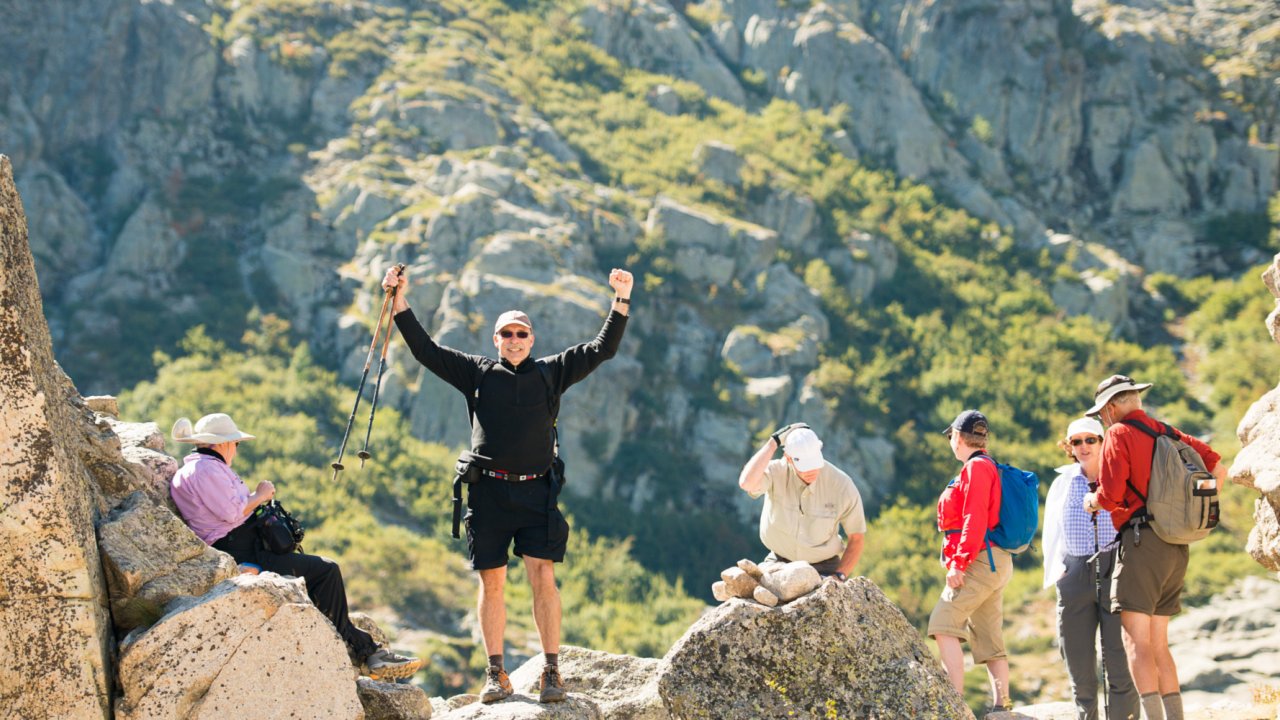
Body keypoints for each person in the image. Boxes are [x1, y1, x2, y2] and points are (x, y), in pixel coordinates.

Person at [383, 264, 632, 704]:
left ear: (532, 340)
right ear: (495, 340)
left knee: (543, 577)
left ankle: (551, 671)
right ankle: (496, 674)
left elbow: (601, 349)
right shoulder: (477, 373)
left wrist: (621, 298)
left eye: (521, 334)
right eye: (507, 334)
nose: (514, 341)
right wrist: (399, 299)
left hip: (537, 491)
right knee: (491, 582)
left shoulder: (551, 372)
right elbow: (425, 349)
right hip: (489, 493)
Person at [168, 412, 422, 680]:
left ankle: (357, 644)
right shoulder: (207, 469)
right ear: (221, 444)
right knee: (326, 570)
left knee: (313, 573)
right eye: (235, 443)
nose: (236, 449)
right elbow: (233, 512)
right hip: (241, 549)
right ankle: (364, 652)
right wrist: (261, 494)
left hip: (233, 545)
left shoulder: (195, 469)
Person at [1081, 375, 1226, 720]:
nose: (1103, 419)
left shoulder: (1119, 433)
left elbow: (1112, 494)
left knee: (1136, 642)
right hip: (1176, 545)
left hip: (1141, 542)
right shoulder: (1169, 433)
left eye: (1102, 413)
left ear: (1112, 407)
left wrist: (1092, 501)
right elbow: (1219, 469)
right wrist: (1188, 510)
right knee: (1159, 643)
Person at [1043, 417, 1139, 720]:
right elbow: (1051, 532)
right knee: (1078, 662)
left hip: (1115, 572)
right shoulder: (1063, 483)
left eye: (1090, 440)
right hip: (1073, 574)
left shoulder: (1121, 477)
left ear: (1103, 441)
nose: (1083, 447)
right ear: (1069, 447)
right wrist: (1059, 573)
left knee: (1120, 661)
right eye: (1076, 442)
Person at [928, 410, 1013, 713]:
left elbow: (974, 518)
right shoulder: (985, 465)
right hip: (993, 560)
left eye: (951, 436)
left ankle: (953, 706)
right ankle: (1003, 708)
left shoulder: (976, 468)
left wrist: (958, 564)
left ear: (959, 438)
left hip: (979, 560)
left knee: (943, 624)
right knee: (989, 636)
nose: (951, 441)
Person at [737, 424, 866, 580]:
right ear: (788, 458)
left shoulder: (842, 485)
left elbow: (857, 538)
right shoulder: (776, 472)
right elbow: (747, 483)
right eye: (804, 467)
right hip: (778, 563)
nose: (811, 471)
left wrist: (839, 576)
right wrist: (773, 443)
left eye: (814, 464)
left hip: (824, 568)